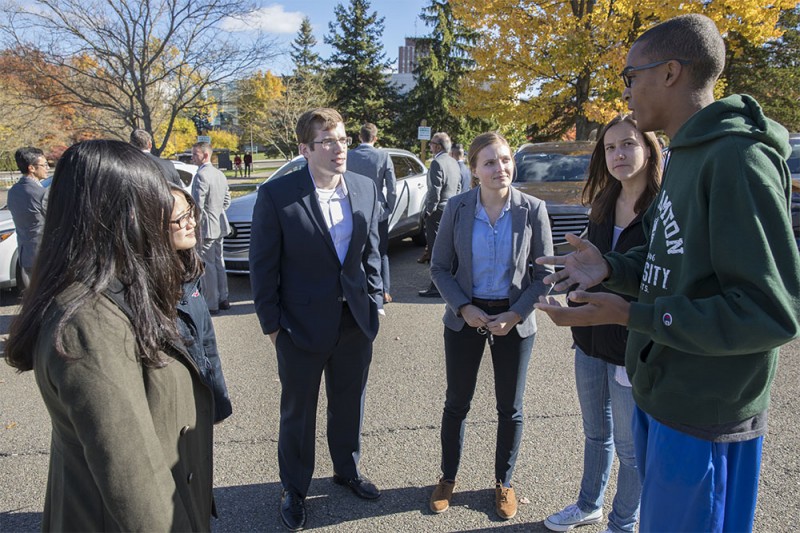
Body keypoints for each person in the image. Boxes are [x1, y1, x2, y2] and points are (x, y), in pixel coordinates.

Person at [535, 14, 800, 532]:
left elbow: (771, 312)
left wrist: (634, 315)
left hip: (706, 415)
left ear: (671, 72)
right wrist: (609, 266)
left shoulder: (737, 159)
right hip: (664, 393)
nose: (627, 90)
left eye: (631, 76)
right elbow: (668, 263)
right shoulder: (685, 157)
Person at [4, 139, 215, 531]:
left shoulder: (120, 289)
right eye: (153, 202)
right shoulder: (87, 320)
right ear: (121, 214)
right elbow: (133, 478)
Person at [249, 107, 383, 531]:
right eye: (327, 141)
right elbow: (262, 265)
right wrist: (271, 325)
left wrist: (376, 299)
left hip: (354, 322)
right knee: (298, 412)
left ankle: (346, 469)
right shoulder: (278, 195)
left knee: (349, 404)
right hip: (299, 326)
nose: (338, 148)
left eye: (342, 139)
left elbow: (373, 249)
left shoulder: (363, 186)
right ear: (305, 149)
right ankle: (294, 488)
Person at [543, 115, 661, 533]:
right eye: (610, 148)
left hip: (632, 341)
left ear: (648, 149)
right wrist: (570, 275)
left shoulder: (664, 209)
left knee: (631, 450)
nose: (619, 155)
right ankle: (588, 505)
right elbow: (592, 263)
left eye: (628, 144)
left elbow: (655, 276)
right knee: (596, 434)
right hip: (589, 337)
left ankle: (623, 521)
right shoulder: (604, 201)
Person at [428, 132, 554, 520]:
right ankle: (448, 477)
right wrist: (464, 308)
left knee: (510, 407)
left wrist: (516, 313)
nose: (500, 168)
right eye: (489, 162)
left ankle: (504, 481)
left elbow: (543, 274)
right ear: (474, 170)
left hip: (513, 318)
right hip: (467, 316)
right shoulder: (458, 208)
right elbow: (439, 268)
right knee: (457, 402)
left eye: (504, 160)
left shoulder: (532, 209)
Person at [170, 184, 233, 424]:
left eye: (191, 214)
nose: (192, 223)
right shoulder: (142, 289)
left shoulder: (190, 274)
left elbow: (207, 344)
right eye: (182, 217)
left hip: (200, 408)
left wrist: (218, 400)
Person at [347, 122, 397, 309]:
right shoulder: (383, 156)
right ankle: (384, 290)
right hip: (378, 210)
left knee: (355, 250)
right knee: (380, 251)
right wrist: (389, 207)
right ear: (375, 138)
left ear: (360, 137)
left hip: (353, 208)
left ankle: (357, 289)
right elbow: (391, 187)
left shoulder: (349, 156)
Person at [418, 131, 461, 297]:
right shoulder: (454, 162)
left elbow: (435, 190)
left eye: (431, 144)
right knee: (450, 249)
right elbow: (458, 186)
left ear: (437, 146)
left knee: (436, 250)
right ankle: (449, 283)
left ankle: (436, 287)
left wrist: (429, 210)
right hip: (451, 209)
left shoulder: (437, 163)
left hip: (437, 211)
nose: (429, 146)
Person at [191, 141, 231, 314]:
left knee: (209, 266)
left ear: (205, 155)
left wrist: (197, 222)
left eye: (195, 154)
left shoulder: (202, 175)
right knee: (218, 262)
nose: (192, 158)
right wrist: (217, 212)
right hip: (219, 224)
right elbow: (227, 200)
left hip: (207, 227)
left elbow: (196, 205)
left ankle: (212, 302)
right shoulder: (219, 174)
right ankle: (224, 298)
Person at [8, 147, 48, 284]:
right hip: (45, 256)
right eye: (44, 165)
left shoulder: (13, 191)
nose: (47, 168)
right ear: (32, 168)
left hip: (25, 255)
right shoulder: (41, 194)